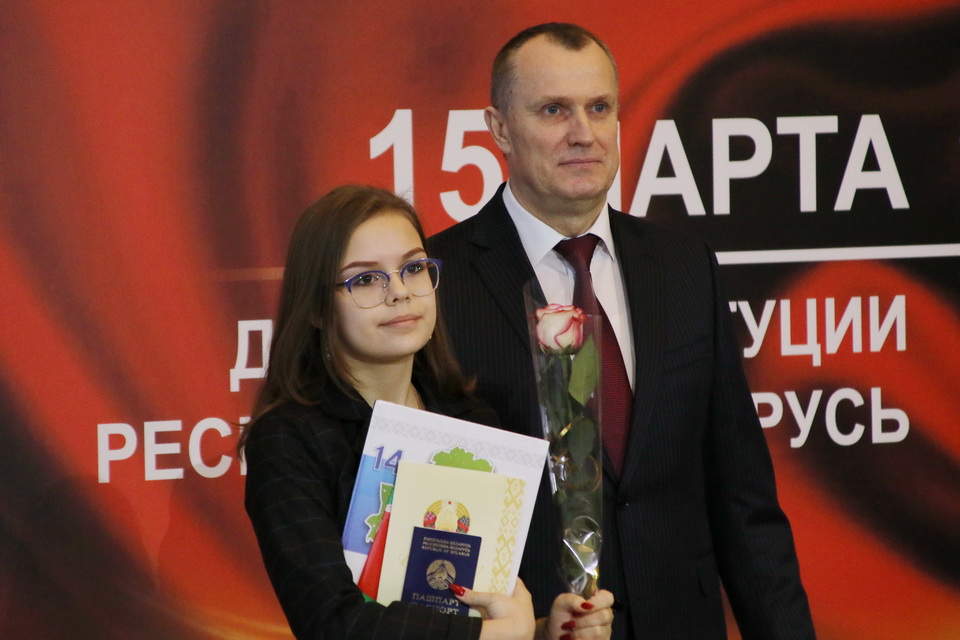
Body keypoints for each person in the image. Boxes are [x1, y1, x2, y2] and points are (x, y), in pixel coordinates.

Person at [428, 24, 817, 640]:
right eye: (553, 110)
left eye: (599, 107)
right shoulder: (435, 284)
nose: (583, 132)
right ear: (499, 129)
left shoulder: (685, 267)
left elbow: (743, 500)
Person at [241, 185, 615, 640]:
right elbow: (333, 623)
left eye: (413, 268)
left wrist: (544, 631)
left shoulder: (471, 420)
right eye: (366, 279)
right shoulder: (288, 439)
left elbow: (478, 605)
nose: (399, 292)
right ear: (317, 308)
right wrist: (496, 638)